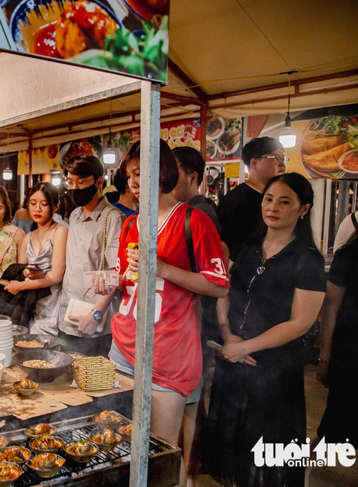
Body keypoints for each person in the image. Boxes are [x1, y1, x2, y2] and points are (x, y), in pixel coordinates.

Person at [97, 140, 229, 486]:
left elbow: (219, 285)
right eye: (129, 176)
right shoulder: (132, 224)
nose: (134, 183)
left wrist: (165, 270)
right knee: (116, 446)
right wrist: (108, 283)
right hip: (122, 348)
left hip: (169, 357)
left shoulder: (194, 221)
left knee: (159, 458)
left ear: (166, 171)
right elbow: (129, 280)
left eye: (141, 174)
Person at [203, 173, 326, 487]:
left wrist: (246, 346)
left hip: (272, 369)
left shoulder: (307, 259)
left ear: (303, 209)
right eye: (269, 199)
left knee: (265, 455)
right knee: (231, 448)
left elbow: (301, 322)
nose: (273, 207)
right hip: (233, 362)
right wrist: (228, 334)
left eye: (285, 202)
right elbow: (225, 289)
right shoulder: (251, 245)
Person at [171, 145, 226, 484]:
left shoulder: (199, 213)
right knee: (188, 403)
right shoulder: (184, 210)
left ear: (192, 177)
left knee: (191, 405)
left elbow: (217, 277)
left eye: (170, 172)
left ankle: (189, 473)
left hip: (195, 321)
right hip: (187, 322)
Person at [316, 190, 358, 453]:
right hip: (354, 352)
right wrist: (325, 357)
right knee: (339, 417)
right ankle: (306, 470)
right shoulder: (350, 254)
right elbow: (331, 307)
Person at [53, 155, 123, 356]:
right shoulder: (74, 215)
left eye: (82, 182)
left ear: (99, 182)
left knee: (93, 380)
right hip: (68, 313)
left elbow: (114, 272)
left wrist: (96, 314)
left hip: (95, 319)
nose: (75, 188)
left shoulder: (113, 218)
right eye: (70, 182)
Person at [4, 183, 68, 336]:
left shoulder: (61, 231)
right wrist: (25, 273)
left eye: (44, 204)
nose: (37, 208)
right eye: (33, 203)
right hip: (31, 304)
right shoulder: (28, 237)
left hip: (53, 303)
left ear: (56, 206)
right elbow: (22, 271)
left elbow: (56, 275)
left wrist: (21, 286)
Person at [217, 137, 286, 261]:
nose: (282, 164)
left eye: (283, 159)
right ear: (254, 163)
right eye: (276, 158)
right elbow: (223, 247)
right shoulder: (234, 201)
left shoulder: (275, 198)